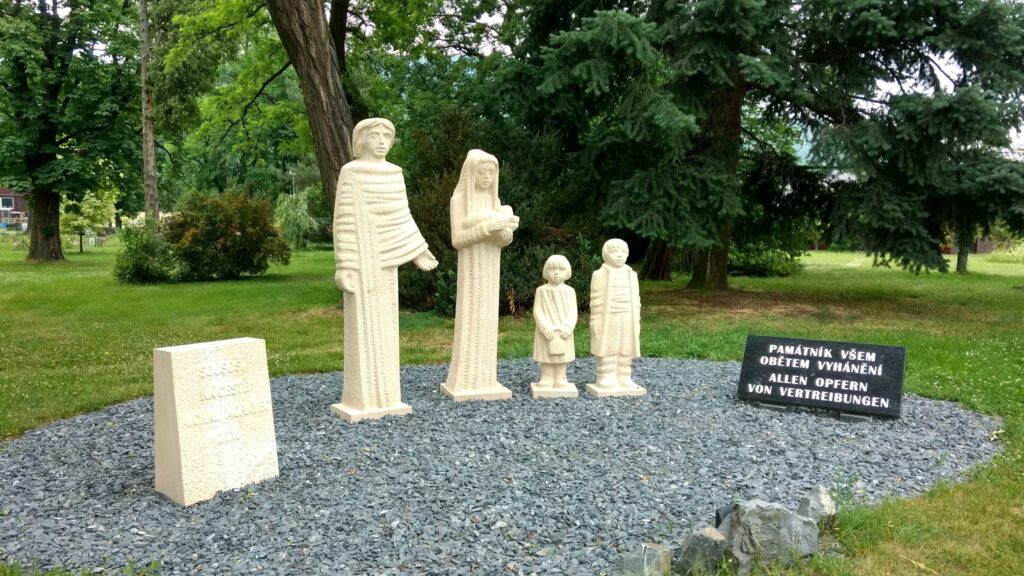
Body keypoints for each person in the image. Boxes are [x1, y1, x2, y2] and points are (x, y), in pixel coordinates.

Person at [330, 118, 438, 422]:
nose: (381, 141)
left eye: (386, 136)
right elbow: (345, 219)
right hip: (362, 257)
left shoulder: (395, 174)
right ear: (361, 140)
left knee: (386, 323)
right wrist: (344, 264)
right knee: (364, 326)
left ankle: (388, 394)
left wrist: (417, 249)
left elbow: (401, 215)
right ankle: (363, 396)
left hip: (387, 261)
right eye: (374, 135)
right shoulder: (351, 173)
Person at [441, 149, 519, 401]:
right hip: (472, 266)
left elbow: (503, 239)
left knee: (487, 320)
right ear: (470, 173)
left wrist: (505, 232)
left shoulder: (495, 204)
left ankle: (486, 377)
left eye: (491, 172)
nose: (486, 177)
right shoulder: (459, 202)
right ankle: (465, 378)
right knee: (471, 317)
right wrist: (487, 228)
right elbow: (458, 239)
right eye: (481, 172)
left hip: (490, 265)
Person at [587, 239, 646, 397]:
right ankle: (605, 377)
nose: (619, 255)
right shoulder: (599, 274)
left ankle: (624, 376)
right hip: (608, 316)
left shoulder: (631, 275)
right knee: (608, 346)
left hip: (628, 316)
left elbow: (637, 298)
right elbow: (596, 299)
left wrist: (637, 317)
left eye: (623, 252)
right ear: (605, 255)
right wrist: (596, 321)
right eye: (614, 252)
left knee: (626, 346)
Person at [531, 255, 579, 398]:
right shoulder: (541, 290)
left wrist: (568, 327)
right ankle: (546, 377)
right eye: (552, 269)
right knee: (546, 352)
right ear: (546, 271)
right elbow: (537, 310)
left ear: (567, 272)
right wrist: (544, 327)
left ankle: (560, 378)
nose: (556, 272)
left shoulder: (570, 291)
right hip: (546, 330)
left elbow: (573, 311)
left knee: (561, 354)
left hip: (564, 330)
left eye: (560, 269)